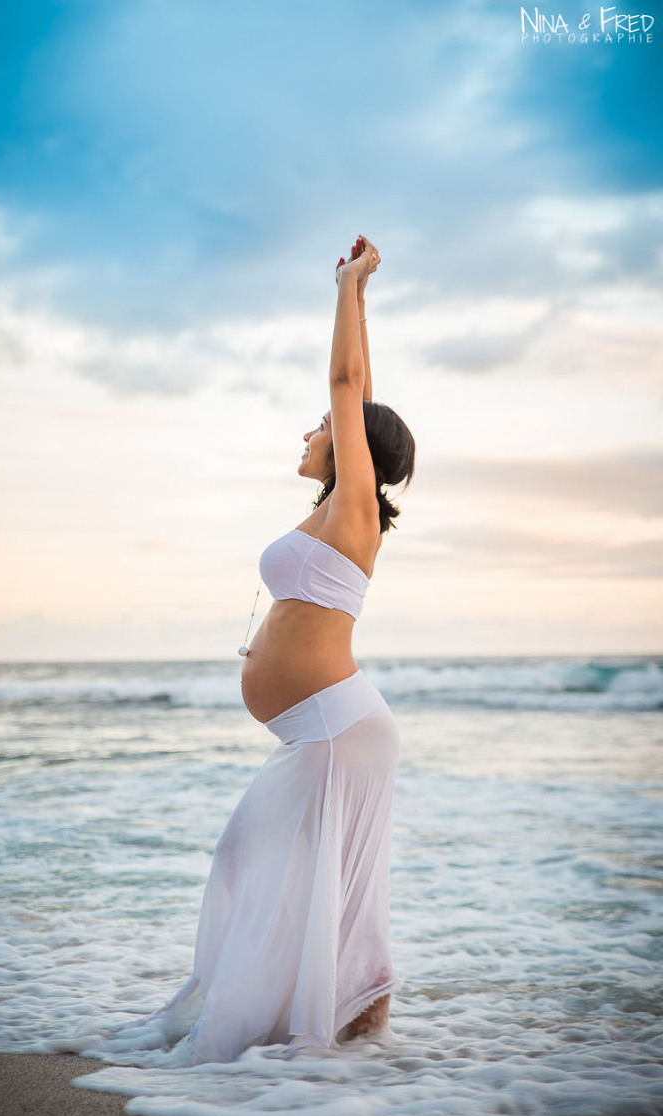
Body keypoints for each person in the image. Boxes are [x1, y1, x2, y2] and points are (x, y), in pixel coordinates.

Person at [150, 235, 416, 1064]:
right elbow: (359, 389)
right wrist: (362, 305)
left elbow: (346, 389)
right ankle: (349, 1032)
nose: (310, 432)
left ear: (352, 449)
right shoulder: (333, 510)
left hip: (337, 730)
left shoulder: (355, 513)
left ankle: (348, 1031)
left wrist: (345, 285)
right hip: (327, 730)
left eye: (322, 428)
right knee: (295, 874)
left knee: (272, 864)